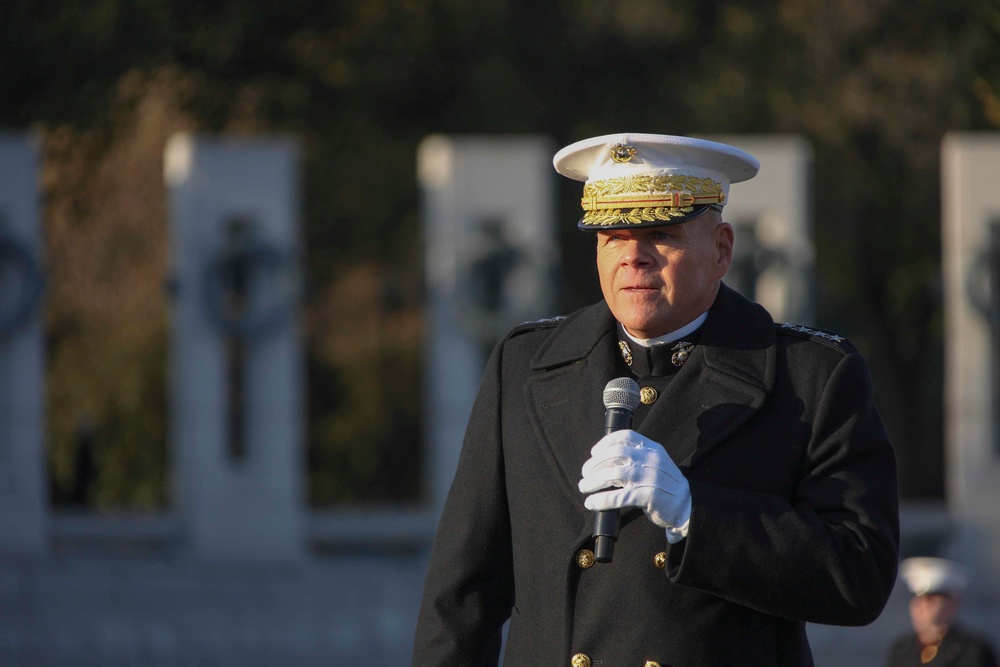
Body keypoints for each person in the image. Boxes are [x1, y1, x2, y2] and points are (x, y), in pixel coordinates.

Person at [412, 133, 900, 666]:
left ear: (721, 249)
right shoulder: (525, 364)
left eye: (660, 234)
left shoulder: (809, 375)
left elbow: (861, 576)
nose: (633, 258)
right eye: (612, 237)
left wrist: (697, 515)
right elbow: (463, 593)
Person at [887, 557, 998, 667]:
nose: (920, 606)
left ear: (952, 602)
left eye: (930, 599)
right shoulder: (902, 650)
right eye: (915, 598)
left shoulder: (972, 650)